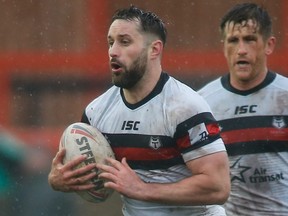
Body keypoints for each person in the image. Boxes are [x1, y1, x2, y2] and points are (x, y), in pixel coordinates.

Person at [48, 6, 230, 216]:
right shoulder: (96, 112)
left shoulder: (185, 107)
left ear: (154, 49)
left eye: (124, 42)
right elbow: (96, 182)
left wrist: (142, 189)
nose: (113, 51)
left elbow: (218, 187)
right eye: (110, 42)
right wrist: (60, 179)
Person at [198, 3, 288, 216]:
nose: (241, 50)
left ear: (269, 44)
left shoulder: (284, 96)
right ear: (223, 47)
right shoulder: (202, 104)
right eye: (233, 40)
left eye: (250, 39)